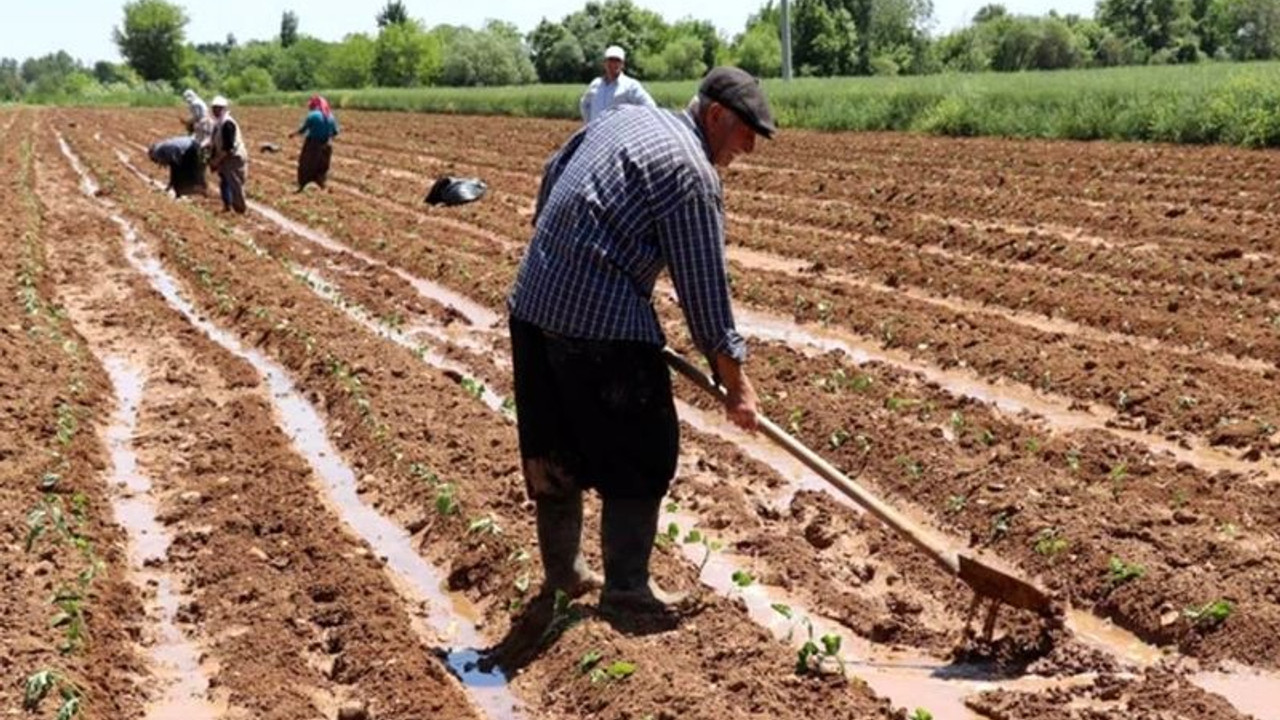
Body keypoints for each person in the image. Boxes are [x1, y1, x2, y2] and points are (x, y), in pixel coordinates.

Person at [509, 67, 775, 614]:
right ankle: (627, 589)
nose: (748, 147)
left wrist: (560, 250)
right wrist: (737, 383)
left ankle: (563, 575)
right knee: (643, 448)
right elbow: (704, 290)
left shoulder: (624, 119)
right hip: (599, 319)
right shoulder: (692, 173)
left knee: (553, 448)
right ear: (717, 115)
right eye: (746, 130)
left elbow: (551, 171)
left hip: (532, 302)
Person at [579, 45, 656, 124]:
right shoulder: (595, 84)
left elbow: (650, 106)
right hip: (597, 134)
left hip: (619, 134)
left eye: (617, 60)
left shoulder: (630, 86)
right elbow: (584, 104)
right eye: (610, 60)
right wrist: (589, 125)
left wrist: (635, 125)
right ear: (604, 63)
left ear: (622, 64)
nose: (613, 64)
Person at [208, 96, 248, 214]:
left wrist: (216, 160)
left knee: (235, 183)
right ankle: (227, 206)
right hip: (225, 156)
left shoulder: (227, 123)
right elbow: (217, 142)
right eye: (214, 108)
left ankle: (240, 210)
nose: (215, 111)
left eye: (218, 108)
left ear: (224, 109)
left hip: (233, 157)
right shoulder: (219, 122)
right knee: (225, 181)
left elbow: (229, 147)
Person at [292, 95, 339, 191]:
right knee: (322, 167)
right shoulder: (330, 116)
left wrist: (294, 134)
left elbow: (303, 130)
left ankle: (303, 186)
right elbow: (335, 132)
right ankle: (321, 185)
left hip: (312, 145)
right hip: (327, 145)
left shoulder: (312, 115)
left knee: (306, 166)